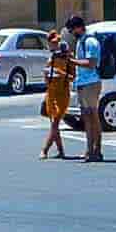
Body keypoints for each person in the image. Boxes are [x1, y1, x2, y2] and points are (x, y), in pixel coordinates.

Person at [66, 14, 105, 162]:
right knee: (86, 118)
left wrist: (73, 61)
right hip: (82, 82)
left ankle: (97, 150)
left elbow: (91, 63)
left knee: (93, 116)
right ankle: (89, 150)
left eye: (72, 30)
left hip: (91, 82)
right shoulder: (80, 42)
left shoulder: (90, 42)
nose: (71, 33)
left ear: (78, 28)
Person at [39, 30, 74, 160]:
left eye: (55, 43)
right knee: (54, 123)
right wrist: (46, 75)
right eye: (51, 44)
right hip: (51, 92)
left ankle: (44, 150)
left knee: (55, 123)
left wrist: (61, 73)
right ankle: (61, 151)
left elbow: (72, 78)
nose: (53, 46)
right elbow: (46, 76)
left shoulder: (69, 58)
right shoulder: (51, 57)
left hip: (63, 92)